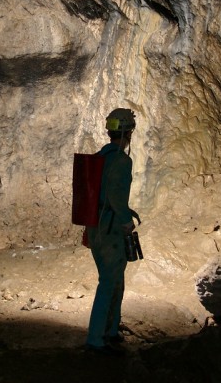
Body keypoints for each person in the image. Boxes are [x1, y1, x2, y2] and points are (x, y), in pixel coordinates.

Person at [85, 107, 137, 355]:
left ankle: (111, 330)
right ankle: (96, 338)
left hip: (95, 226)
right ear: (129, 132)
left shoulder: (99, 157)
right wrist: (127, 222)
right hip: (111, 230)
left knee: (115, 280)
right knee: (108, 282)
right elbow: (116, 196)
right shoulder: (121, 160)